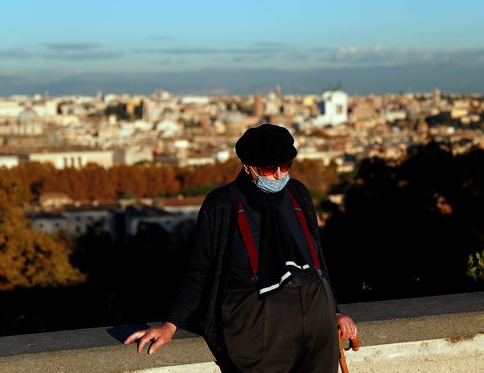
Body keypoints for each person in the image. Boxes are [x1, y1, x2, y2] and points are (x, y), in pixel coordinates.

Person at [125, 124, 357, 372]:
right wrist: (170, 324)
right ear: (247, 166)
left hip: (316, 325)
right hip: (259, 330)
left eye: (286, 165)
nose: (279, 175)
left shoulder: (297, 194)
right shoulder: (224, 203)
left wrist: (334, 312)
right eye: (269, 168)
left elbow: (316, 261)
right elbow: (199, 270)